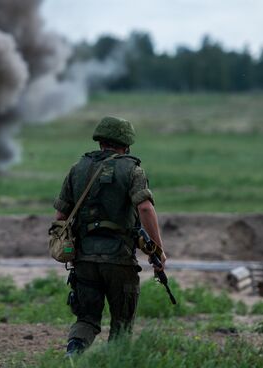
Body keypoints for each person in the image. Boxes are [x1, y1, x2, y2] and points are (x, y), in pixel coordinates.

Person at [53, 116, 166, 356]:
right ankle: (114, 362)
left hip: (84, 259)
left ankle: (73, 355)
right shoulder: (133, 170)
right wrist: (158, 251)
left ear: (101, 141)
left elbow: (60, 215)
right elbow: (145, 208)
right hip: (119, 260)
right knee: (122, 325)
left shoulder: (78, 168)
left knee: (86, 319)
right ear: (126, 144)